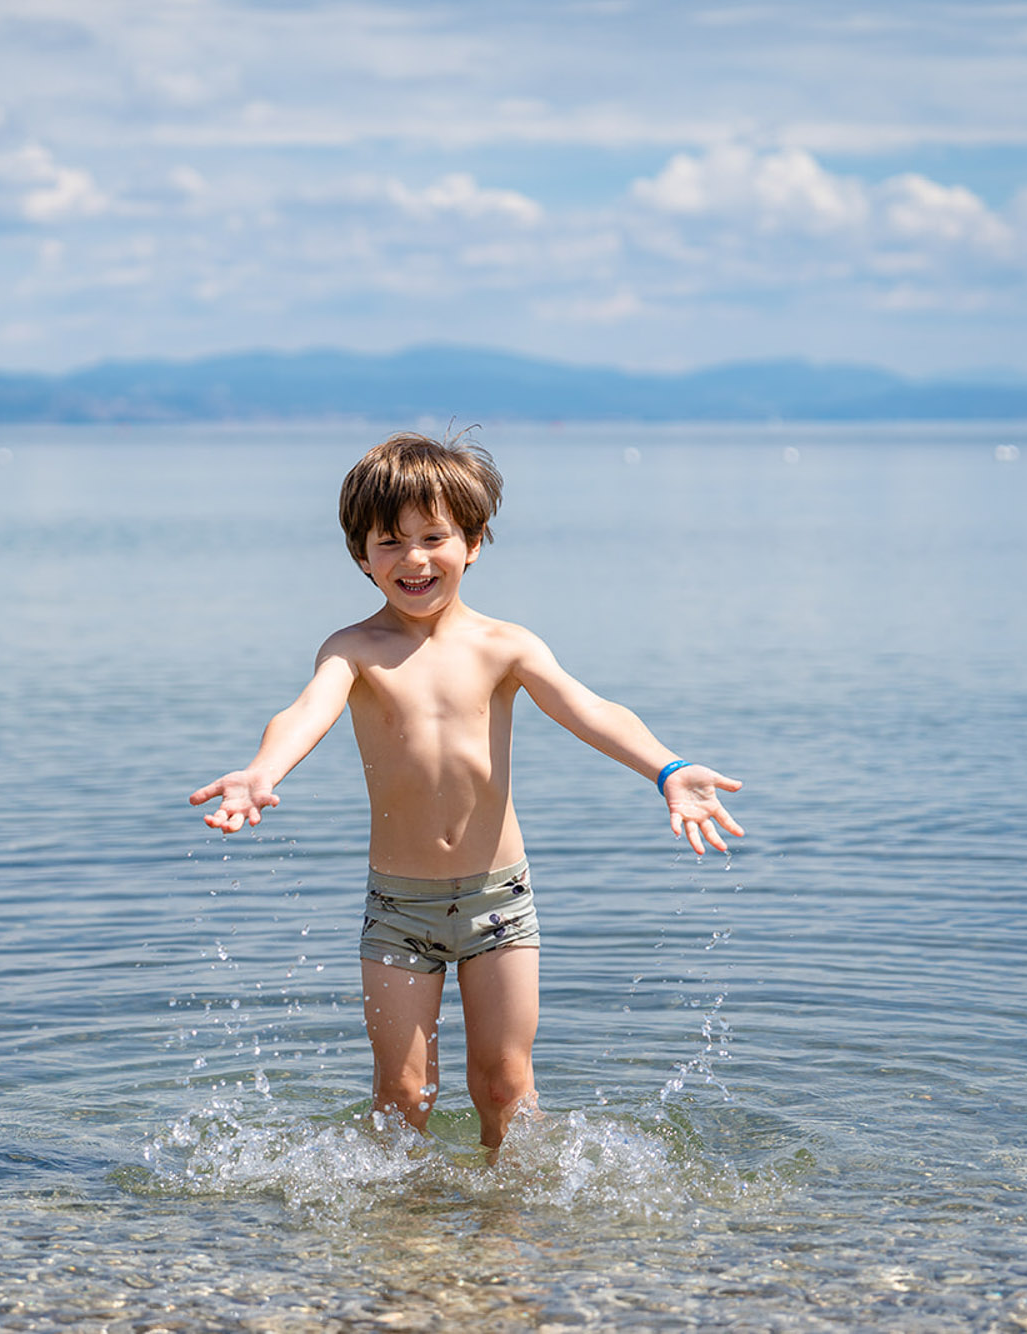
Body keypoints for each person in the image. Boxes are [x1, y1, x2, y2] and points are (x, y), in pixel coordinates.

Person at [188, 431, 743, 1151]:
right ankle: (403, 1236)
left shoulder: (504, 646)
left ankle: (503, 1232)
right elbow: (303, 713)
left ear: (474, 541)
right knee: (402, 1096)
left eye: (434, 537)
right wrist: (263, 772)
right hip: (398, 908)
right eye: (390, 542)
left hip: (498, 903)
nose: (414, 559)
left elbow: (590, 708)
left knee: (506, 1085)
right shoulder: (353, 651)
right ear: (362, 556)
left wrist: (667, 769)